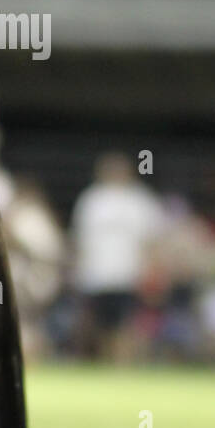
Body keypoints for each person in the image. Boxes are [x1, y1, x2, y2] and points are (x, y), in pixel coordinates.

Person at [70, 153, 168, 360]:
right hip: (97, 275)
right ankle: (104, 362)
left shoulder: (139, 200)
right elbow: (80, 239)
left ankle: (123, 363)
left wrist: (152, 272)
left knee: (127, 324)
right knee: (100, 324)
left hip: (128, 275)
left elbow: (152, 240)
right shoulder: (92, 200)